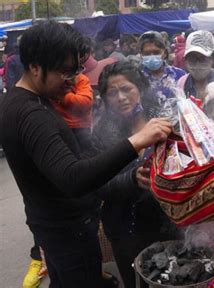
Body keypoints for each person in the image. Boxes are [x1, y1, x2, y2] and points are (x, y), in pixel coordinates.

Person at [0, 21, 172, 288]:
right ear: (35, 67)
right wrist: (136, 142)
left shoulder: (22, 101)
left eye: (75, 70)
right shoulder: (32, 115)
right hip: (67, 232)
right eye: (64, 72)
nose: (71, 81)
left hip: (55, 226)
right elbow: (74, 177)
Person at [93, 61, 181, 288]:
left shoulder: (163, 122)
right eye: (112, 93)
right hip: (124, 229)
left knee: (172, 277)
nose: (121, 97)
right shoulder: (102, 133)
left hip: (166, 225)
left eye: (127, 89)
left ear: (139, 89)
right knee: (135, 281)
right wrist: (132, 179)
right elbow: (99, 185)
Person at [137, 31, 185, 118]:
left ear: (165, 53)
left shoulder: (180, 75)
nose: (152, 56)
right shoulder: (137, 78)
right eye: (147, 54)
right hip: (151, 128)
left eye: (156, 52)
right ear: (141, 55)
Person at [177, 30, 214, 101]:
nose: (197, 65)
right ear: (186, 60)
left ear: (212, 59)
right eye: (192, 59)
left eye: (203, 59)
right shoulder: (182, 83)